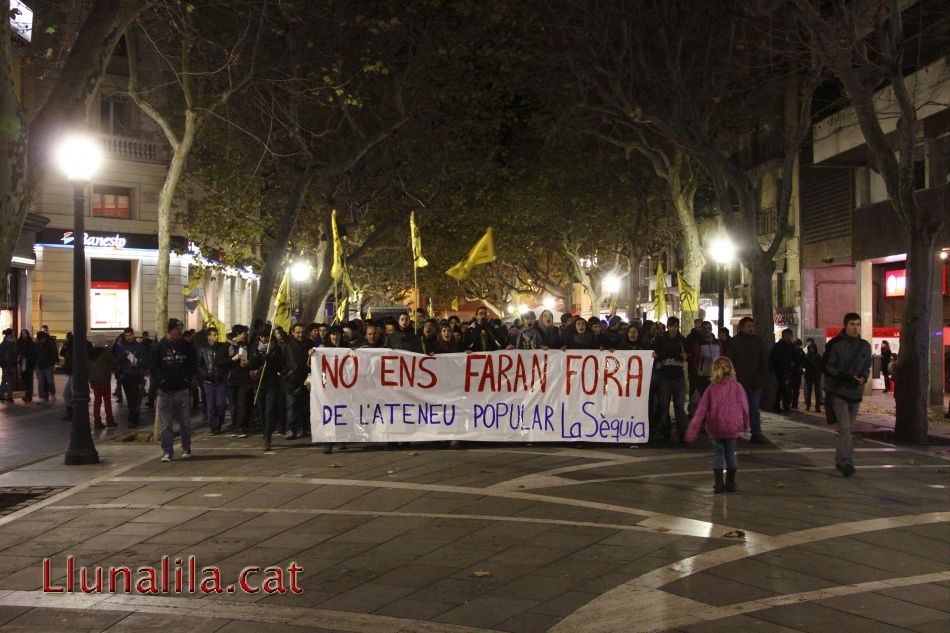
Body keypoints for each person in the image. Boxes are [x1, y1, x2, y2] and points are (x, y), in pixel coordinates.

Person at [685, 357, 749, 493]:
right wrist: (745, 424)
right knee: (731, 453)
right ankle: (731, 483)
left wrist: (692, 430)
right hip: (732, 427)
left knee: (718, 454)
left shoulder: (711, 388)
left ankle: (719, 484)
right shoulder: (738, 387)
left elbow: (701, 410)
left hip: (715, 426)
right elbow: (745, 407)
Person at [824, 313, 872, 477]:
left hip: (856, 392)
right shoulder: (835, 344)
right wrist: (844, 377)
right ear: (845, 325)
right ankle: (846, 461)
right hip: (839, 391)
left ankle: (841, 460)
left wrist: (864, 377)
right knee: (845, 427)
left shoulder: (865, 345)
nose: (855, 327)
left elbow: (867, 366)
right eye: (852, 324)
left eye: (857, 324)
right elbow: (827, 367)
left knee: (847, 429)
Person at [153, 318, 196, 462]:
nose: (180, 331)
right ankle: (167, 451)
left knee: (185, 421)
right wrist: (161, 381)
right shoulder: (160, 347)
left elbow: (192, 364)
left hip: (181, 389)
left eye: (181, 328)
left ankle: (186, 447)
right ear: (170, 330)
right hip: (165, 390)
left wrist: (187, 380)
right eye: (177, 328)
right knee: (166, 424)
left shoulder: (186, 346)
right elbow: (153, 366)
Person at [727, 317, 769, 444]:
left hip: (755, 380)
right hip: (739, 381)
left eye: (752, 326)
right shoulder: (735, 342)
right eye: (748, 326)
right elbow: (730, 361)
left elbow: (763, 360)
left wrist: (761, 377)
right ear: (741, 327)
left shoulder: (758, 341)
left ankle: (756, 432)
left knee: (754, 407)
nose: (751, 328)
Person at [652, 317, 689, 442]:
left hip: (678, 377)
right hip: (664, 377)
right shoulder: (661, 340)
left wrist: (686, 355)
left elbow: (689, 355)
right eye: (671, 326)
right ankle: (666, 432)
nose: (673, 329)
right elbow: (655, 354)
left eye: (675, 326)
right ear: (667, 327)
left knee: (679, 407)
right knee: (664, 406)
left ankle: (682, 434)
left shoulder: (682, 340)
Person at [250, 324, 283, 451]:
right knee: (261, 410)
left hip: (272, 383)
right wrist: (259, 357)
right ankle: (264, 431)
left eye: (266, 336)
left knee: (269, 410)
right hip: (258, 383)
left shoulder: (276, 348)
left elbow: (280, 365)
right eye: (262, 336)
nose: (264, 339)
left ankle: (267, 437)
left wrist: (269, 358)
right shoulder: (254, 347)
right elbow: (251, 363)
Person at [281, 322, 311, 440]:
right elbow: (281, 362)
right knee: (291, 406)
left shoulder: (309, 344)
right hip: (291, 380)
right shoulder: (286, 345)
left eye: (303, 332)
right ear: (292, 332)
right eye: (298, 332)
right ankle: (290, 429)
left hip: (305, 380)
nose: (300, 335)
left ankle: (302, 428)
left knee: (304, 406)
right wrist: (287, 373)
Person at [196, 326, 228, 434]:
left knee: (221, 404)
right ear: (209, 337)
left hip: (220, 380)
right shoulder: (203, 349)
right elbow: (198, 364)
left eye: (217, 334)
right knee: (211, 405)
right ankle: (214, 426)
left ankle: (219, 421)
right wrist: (204, 374)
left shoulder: (222, 347)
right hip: (208, 381)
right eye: (214, 335)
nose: (217, 337)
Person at [114, 328, 146, 428]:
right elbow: (118, 361)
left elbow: (145, 361)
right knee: (129, 397)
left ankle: (132, 418)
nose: (128, 337)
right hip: (125, 376)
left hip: (135, 375)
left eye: (130, 335)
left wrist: (137, 364)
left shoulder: (139, 347)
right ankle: (133, 415)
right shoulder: (122, 347)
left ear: (133, 335)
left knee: (133, 396)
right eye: (126, 335)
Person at [225, 325, 252, 438]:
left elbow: (252, 358)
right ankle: (235, 426)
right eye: (244, 334)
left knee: (241, 404)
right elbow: (220, 361)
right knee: (233, 405)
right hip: (231, 379)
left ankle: (240, 427)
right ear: (237, 334)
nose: (245, 336)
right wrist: (232, 359)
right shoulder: (226, 345)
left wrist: (248, 362)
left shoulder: (246, 346)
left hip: (243, 379)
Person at [689, 321, 722, 410]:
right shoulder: (698, 343)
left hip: (715, 375)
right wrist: (698, 372)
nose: (707, 330)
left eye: (709, 328)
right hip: (702, 376)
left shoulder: (718, 343)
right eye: (705, 329)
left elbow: (721, 357)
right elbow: (695, 360)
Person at [769, 328, 797, 414]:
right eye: (787, 336)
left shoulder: (792, 346)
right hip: (780, 370)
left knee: (786, 389)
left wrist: (794, 364)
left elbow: (796, 357)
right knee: (783, 389)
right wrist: (774, 369)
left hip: (790, 371)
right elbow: (773, 358)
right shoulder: (778, 346)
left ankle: (785, 406)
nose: (789, 337)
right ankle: (780, 406)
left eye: (790, 336)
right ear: (783, 336)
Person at [88, 346, 117, 428]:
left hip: (94, 381)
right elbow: (115, 361)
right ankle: (110, 420)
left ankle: (97, 421)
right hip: (104, 381)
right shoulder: (106, 353)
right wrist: (124, 355)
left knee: (97, 401)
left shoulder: (90, 353)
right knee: (107, 401)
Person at [33, 331, 57, 403]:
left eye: (42, 339)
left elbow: (53, 354)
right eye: (39, 339)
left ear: (44, 338)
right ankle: (41, 397)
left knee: (50, 381)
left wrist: (51, 364)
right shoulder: (37, 344)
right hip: (39, 366)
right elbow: (34, 354)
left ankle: (52, 393)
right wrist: (36, 364)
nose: (41, 340)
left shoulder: (49, 343)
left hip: (48, 366)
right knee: (41, 382)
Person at [803, 339, 823, 413]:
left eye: (813, 348)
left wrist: (818, 370)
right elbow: (804, 365)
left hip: (816, 376)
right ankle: (808, 405)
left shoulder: (818, 356)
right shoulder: (807, 356)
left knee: (817, 392)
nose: (812, 349)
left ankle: (817, 407)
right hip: (809, 376)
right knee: (808, 391)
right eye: (810, 348)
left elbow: (821, 365)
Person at [15, 330, 34, 403]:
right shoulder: (19, 342)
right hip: (22, 363)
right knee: (23, 380)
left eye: (25, 333)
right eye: (22, 333)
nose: (23, 335)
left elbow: (32, 352)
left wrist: (26, 356)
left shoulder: (30, 342)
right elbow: (17, 350)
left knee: (28, 380)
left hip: (28, 363)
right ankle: (25, 395)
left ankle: (28, 396)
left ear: (27, 334)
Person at [789, 339, 806, 410]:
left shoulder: (801, 351)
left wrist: (801, 366)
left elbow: (804, 360)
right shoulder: (791, 350)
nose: (798, 346)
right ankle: (789, 402)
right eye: (797, 345)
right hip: (791, 372)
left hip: (798, 373)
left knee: (796, 389)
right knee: (790, 388)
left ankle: (795, 404)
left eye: (799, 345)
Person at [0, 329, 15, 402]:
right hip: (8, 365)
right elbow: (8, 355)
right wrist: (10, 366)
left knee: (4, 380)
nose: (14, 334)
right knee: (10, 381)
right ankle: (9, 396)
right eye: (13, 332)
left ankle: (1, 394)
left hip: (4, 364)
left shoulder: (3, 342)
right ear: (11, 334)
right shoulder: (10, 343)